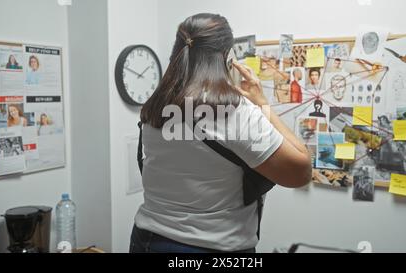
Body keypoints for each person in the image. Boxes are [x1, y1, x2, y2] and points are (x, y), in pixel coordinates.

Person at [130, 13, 312, 253]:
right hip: (209, 247)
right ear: (227, 59)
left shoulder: (155, 105)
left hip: (147, 240)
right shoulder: (234, 112)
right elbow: (300, 172)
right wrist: (261, 104)